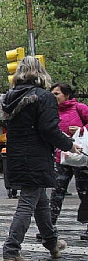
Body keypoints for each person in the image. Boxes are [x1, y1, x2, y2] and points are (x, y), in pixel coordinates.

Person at [0, 56, 79, 261]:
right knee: (27, 203)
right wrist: (69, 145)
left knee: (40, 202)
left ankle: (53, 244)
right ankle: (11, 249)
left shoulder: (10, 97)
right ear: (40, 73)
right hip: (36, 156)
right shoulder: (43, 98)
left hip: (16, 155)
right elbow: (49, 129)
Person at [48, 83, 88, 240]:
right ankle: (49, 226)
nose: (54, 96)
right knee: (57, 191)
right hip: (61, 157)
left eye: (57, 93)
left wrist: (81, 130)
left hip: (80, 157)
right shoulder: (51, 111)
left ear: (67, 95)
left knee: (84, 191)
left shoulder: (80, 108)